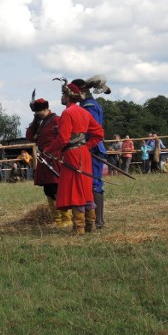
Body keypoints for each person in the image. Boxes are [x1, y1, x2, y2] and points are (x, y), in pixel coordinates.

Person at [48, 79, 104, 235]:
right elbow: (98, 133)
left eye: (62, 94)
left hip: (73, 154)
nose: (61, 97)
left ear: (68, 95)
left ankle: (78, 228)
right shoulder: (84, 112)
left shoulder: (67, 112)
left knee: (76, 190)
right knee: (85, 188)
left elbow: (64, 139)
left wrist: (50, 149)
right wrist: (86, 146)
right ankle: (89, 225)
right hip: (83, 154)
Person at [25, 97, 72, 228]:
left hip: (55, 157)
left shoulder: (56, 119)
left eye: (38, 113)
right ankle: (57, 220)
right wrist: (35, 121)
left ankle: (66, 218)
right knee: (48, 189)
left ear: (46, 109)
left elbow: (64, 137)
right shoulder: (40, 122)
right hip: (44, 158)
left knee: (56, 188)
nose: (36, 115)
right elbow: (29, 136)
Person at [71, 75, 110, 229]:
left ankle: (98, 222)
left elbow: (91, 129)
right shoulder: (91, 104)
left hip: (92, 148)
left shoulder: (88, 106)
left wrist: (84, 146)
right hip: (91, 147)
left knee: (94, 184)